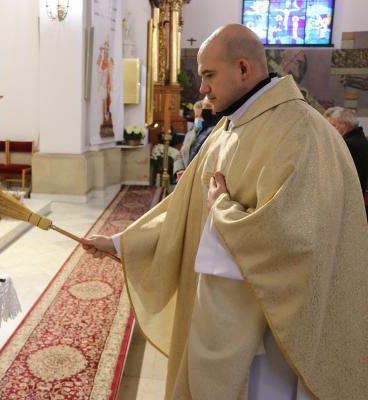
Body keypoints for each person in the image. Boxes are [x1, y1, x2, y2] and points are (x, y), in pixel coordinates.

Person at [83, 24, 367, 400]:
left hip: (272, 335)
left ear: (243, 69)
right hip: (220, 314)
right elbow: (184, 206)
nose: (202, 88)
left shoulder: (301, 131)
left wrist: (222, 208)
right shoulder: (229, 127)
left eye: (209, 75)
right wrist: (123, 243)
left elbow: (294, 239)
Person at [173, 96, 220, 182]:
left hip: (201, 180)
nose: (204, 109)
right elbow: (182, 153)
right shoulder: (194, 129)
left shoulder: (219, 130)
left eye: (208, 106)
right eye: (203, 106)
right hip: (185, 179)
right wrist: (180, 170)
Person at [324, 107, 368, 194]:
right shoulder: (360, 140)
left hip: (348, 193)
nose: (332, 129)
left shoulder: (347, 144)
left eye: (334, 125)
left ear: (345, 125)